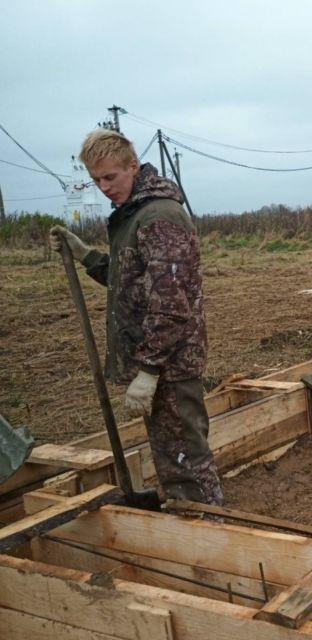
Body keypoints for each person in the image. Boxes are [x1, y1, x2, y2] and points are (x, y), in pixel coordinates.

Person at [50, 128, 223, 506]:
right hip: (160, 361)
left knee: (186, 457)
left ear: (133, 166)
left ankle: (207, 525)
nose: (104, 187)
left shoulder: (158, 216)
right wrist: (84, 255)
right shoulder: (133, 215)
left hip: (172, 363)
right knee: (171, 450)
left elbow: (170, 303)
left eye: (110, 177)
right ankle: (187, 517)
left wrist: (148, 369)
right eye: (96, 180)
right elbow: (129, 280)